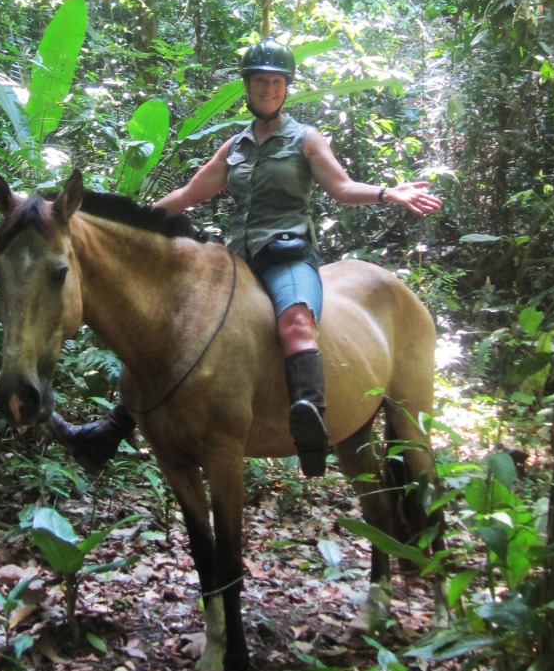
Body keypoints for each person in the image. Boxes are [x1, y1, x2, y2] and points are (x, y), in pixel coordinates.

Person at [49, 38, 442, 478]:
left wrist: (389, 192)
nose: (268, 89)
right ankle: (111, 429)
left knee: (296, 321)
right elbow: (189, 194)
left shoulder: (305, 140)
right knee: (170, 330)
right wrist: (128, 229)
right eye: (260, 82)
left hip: (288, 256)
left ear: (286, 88)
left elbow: (342, 188)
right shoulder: (234, 146)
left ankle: (311, 420)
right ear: (248, 87)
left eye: (276, 82)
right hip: (237, 263)